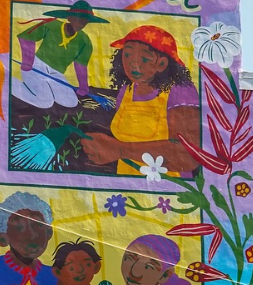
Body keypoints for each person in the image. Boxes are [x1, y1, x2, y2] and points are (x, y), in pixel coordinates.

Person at [80, 25, 199, 176]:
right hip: (127, 183)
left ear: (162, 63)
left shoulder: (181, 90)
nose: (133, 63)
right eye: (128, 55)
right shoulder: (127, 90)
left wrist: (120, 149)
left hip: (168, 188)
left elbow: (187, 155)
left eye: (144, 57)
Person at [12, 0, 108, 109]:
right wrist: (28, 61)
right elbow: (26, 37)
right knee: (45, 102)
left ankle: (40, 89)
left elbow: (80, 65)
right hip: (36, 66)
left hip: (57, 74)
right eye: (78, 19)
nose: (81, 24)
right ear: (69, 18)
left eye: (85, 22)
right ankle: (10, 83)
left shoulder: (85, 41)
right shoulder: (52, 25)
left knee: (70, 102)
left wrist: (83, 86)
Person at [0, 191, 59, 285]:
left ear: (49, 233)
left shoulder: (56, 276)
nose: (31, 235)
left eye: (38, 225)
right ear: (3, 238)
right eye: (19, 227)